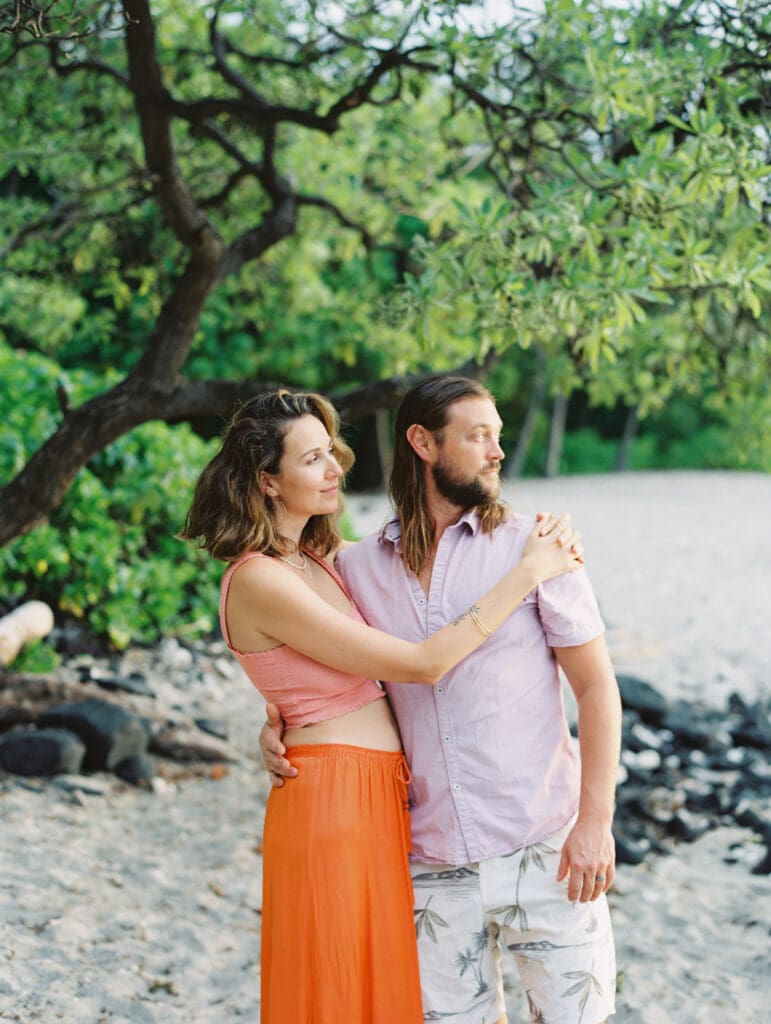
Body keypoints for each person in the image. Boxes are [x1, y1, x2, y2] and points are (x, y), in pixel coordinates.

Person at [181, 387, 585, 1024]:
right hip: (333, 799)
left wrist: (279, 713)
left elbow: (322, 674)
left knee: (383, 990)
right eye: (312, 459)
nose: (336, 467)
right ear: (267, 480)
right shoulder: (259, 576)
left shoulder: (321, 560)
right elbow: (422, 664)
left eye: (331, 452)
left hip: (381, 797)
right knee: (339, 983)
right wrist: (527, 573)